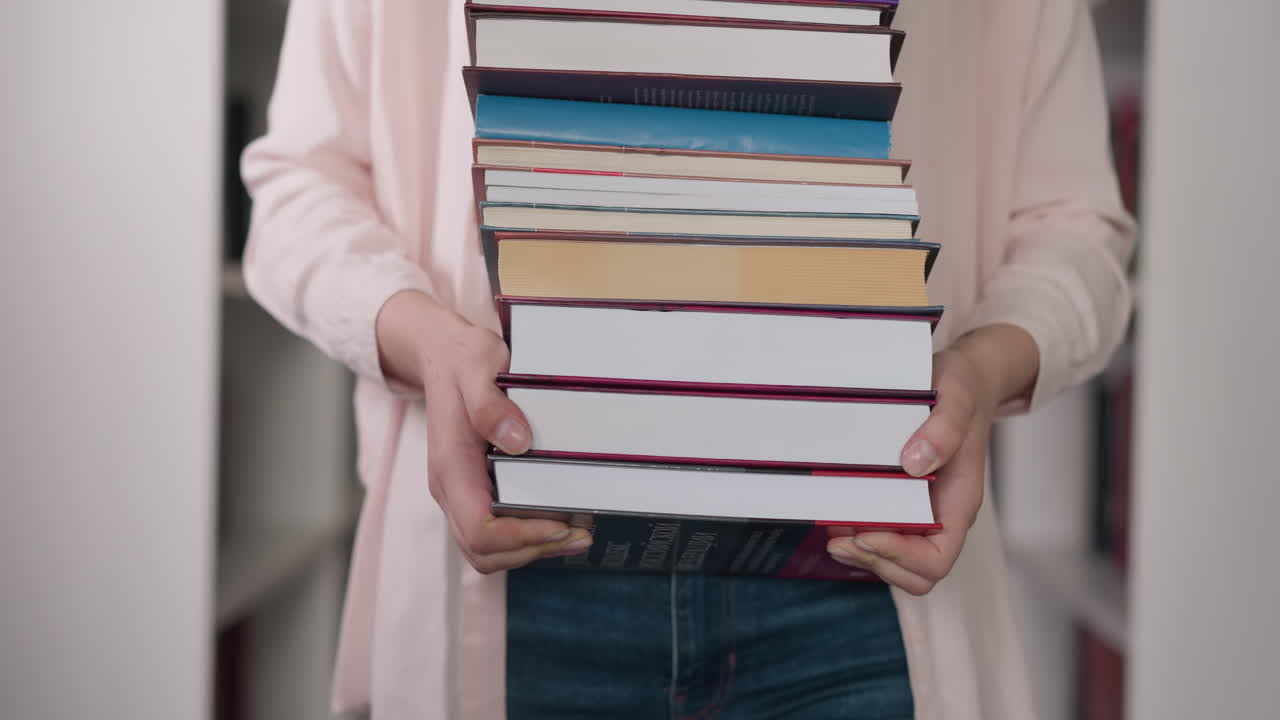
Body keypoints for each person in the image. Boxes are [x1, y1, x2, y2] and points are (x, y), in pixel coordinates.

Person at [241, 0, 1134, 717]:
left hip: (862, 583)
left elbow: (1075, 228)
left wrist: (982, 368)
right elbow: (299, 190)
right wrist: (423, 338)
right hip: (516, 568)